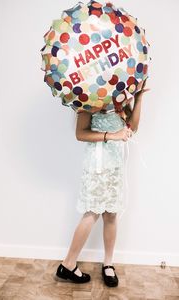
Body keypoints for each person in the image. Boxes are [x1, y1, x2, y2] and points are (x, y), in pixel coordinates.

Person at [55, 79, 150, 287]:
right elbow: (80, 134)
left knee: (111, 213)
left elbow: (132, 127)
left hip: (115, 164)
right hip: (96, 164)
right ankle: (68, 264)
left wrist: (139, 98)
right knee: (92, 212)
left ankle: (108, 264)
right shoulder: (87, 97)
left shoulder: (118, 96)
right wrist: (112, 135)